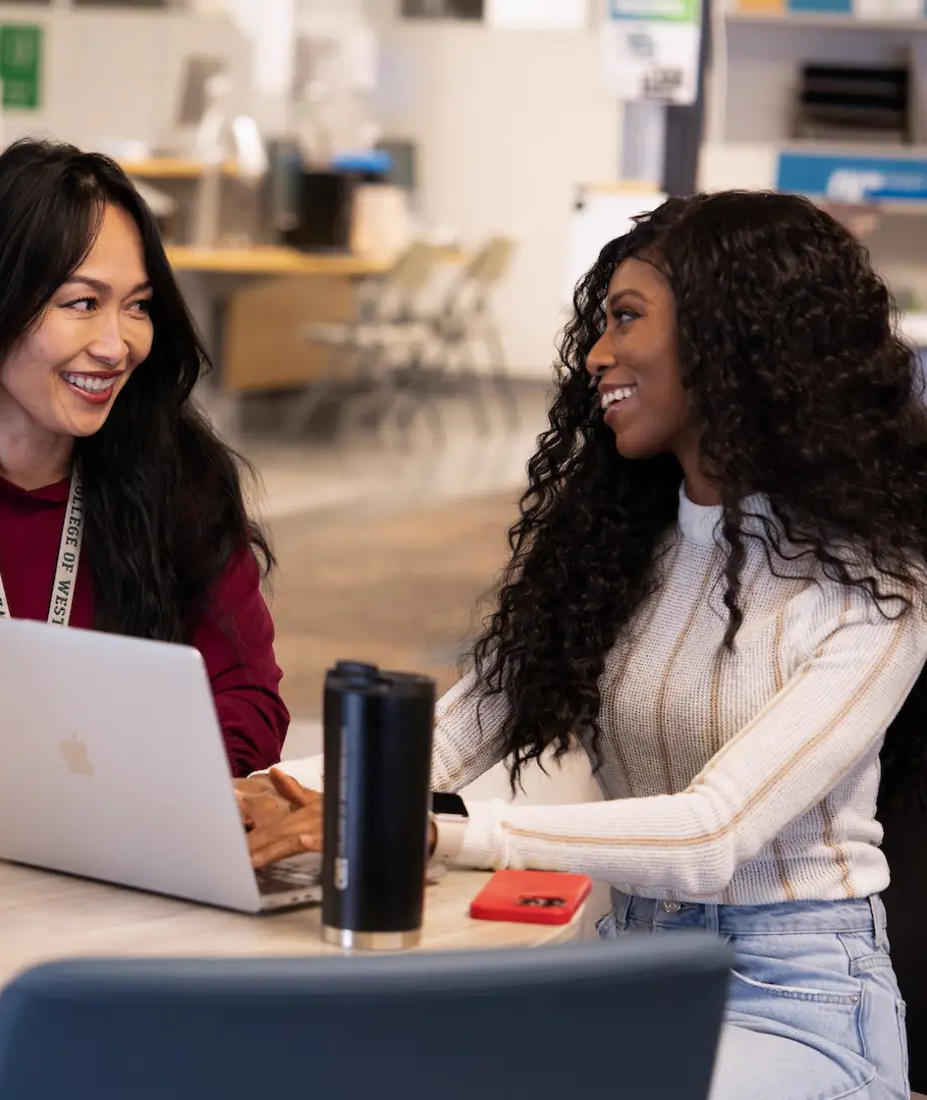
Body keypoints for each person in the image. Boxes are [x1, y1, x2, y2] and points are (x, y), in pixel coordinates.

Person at [244, 191, 927, 1100]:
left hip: (795, 1000)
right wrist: (267, 793)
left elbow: (712, 832)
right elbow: (450, 734)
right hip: (628, 967)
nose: (597, 354)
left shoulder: (872, 587)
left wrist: (440, 834)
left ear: (731, 335)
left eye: (627, 318)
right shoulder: (615, 551)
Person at [0, 138, 289, 843]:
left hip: (126, 859)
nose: (116, 344)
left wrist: (175, 788)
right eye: (82, 303)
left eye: (137, 306)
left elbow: (248, 696)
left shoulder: (180, 486)